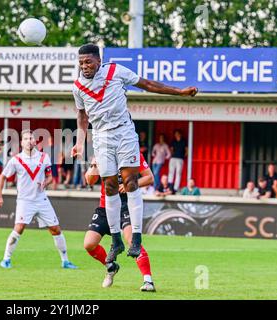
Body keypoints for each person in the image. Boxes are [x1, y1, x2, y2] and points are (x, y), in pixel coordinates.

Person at [71, 43, 197, 262]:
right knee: (110, 186)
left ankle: (136, 239)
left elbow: (147, 84)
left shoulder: (116, 71)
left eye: (88, 62)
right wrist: (80, 142)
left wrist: (179, 92)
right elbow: (82, 116)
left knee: (130, 183)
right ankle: (117, 241)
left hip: (124, 132)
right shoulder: (78, 87)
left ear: (98, 61)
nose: (84, 66)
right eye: (81, 62)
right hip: (101, 137)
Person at [0, 130, 78, 270]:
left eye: (31, 138)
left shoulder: (44, 157)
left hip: (41, 199)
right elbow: (2, 176)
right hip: (24, 201)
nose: (28, 140)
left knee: (56, 229)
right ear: (21, 142)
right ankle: (6, 259)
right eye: (26, 138)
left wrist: (46, 182)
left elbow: (50, 177)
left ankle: (65, 261)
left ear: (35, 141)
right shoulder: (16, 160)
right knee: (19, 228)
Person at [84, 154, 155, 292]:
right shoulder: (102, 153)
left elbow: (149, 177)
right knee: (89, 244)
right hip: (105, 207)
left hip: (126, 206)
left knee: (131, 240)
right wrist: (93, 165)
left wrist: (129, 185)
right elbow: (90, 181)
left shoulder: (132, 151)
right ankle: (111, 267)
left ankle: (148, 281)